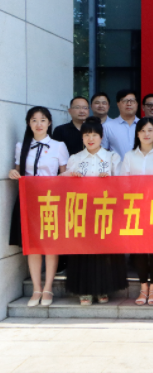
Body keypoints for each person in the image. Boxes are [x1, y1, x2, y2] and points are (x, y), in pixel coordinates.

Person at [62, 117, 128, 305]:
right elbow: (62, 184)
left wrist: (110, 180)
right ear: (82, 137)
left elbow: (123, 184)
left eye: (94, 135)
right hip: (82, 212)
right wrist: (71, 177)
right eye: (86, 135)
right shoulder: (75, 158)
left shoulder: (112, 158)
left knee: (104, 251)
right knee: (83, 251)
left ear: (101, 137)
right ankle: (84, 291)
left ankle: (103, 289)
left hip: (106, 211)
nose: (90, 139)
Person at [9, 107, 69, 307]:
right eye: (34, 120)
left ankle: (48, 288)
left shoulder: (58, 146)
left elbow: (64, 174)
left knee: (50, 244)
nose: (38, 124)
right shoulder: (21, 146)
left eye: (43, 120)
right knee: (32, 245)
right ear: (28, 123)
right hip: (29, 200)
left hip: (51, 200)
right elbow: (18, 171)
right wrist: (13, 173)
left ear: (49, 123)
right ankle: (36, 289)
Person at [120, 117, 153, 306]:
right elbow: (123, 182)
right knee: (138, 249)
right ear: (137, 134)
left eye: (150, 130)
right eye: (142, 130)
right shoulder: (129, 156)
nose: (146, 134)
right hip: (135, 208)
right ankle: (143, 287)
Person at [101, 90, 140, 160]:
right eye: (125, 101)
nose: (129, 104)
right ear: (118, 104)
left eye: (132, 101)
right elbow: (103, 152)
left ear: (137, 104)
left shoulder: (144, 126)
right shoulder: (107, 127)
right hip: (116, 167)